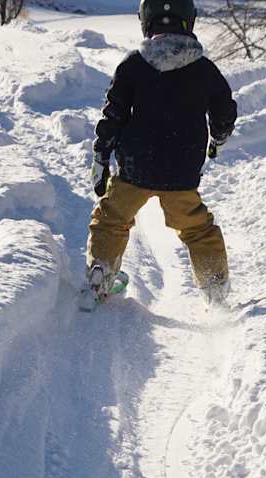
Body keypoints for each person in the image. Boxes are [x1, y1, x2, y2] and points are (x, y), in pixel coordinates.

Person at [84, 0, 239, 309]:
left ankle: (100, 272)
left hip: (135, 168)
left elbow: (112, 116)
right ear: (188, 21)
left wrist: (101, 157)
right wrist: (217, 140)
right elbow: (224, 113)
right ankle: (214, 286)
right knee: (197, 229)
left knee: (111, 219)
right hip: (181, 172)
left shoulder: (133, 66)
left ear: (146, 21)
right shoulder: (204, 69)